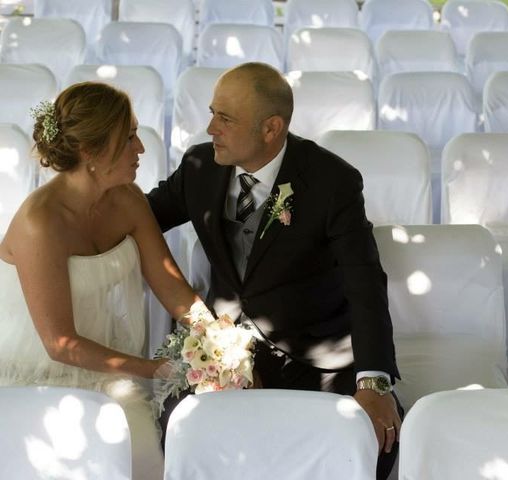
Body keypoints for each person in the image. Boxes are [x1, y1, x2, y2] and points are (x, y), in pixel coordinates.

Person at [148, 62, 402, 478]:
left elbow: (365, 281)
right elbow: (140, 217)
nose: (210, 128)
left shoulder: (331, 181)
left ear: (271, 128)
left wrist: (373, 381)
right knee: (185, 435)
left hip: (316, 356)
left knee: (369, 441)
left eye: (224, 119)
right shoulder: (200, 167)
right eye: (212, 113)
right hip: (224, 350)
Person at [0, 82, 208, 480]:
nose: (141, 149)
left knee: (142, 454)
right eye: (129, 138)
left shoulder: (128, 199)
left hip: (99, 359)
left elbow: (171, 287)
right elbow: (59, 345)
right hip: (35, 367)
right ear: (91, 152)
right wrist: (153, 369)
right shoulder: (40, 222)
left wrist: (216, 338)